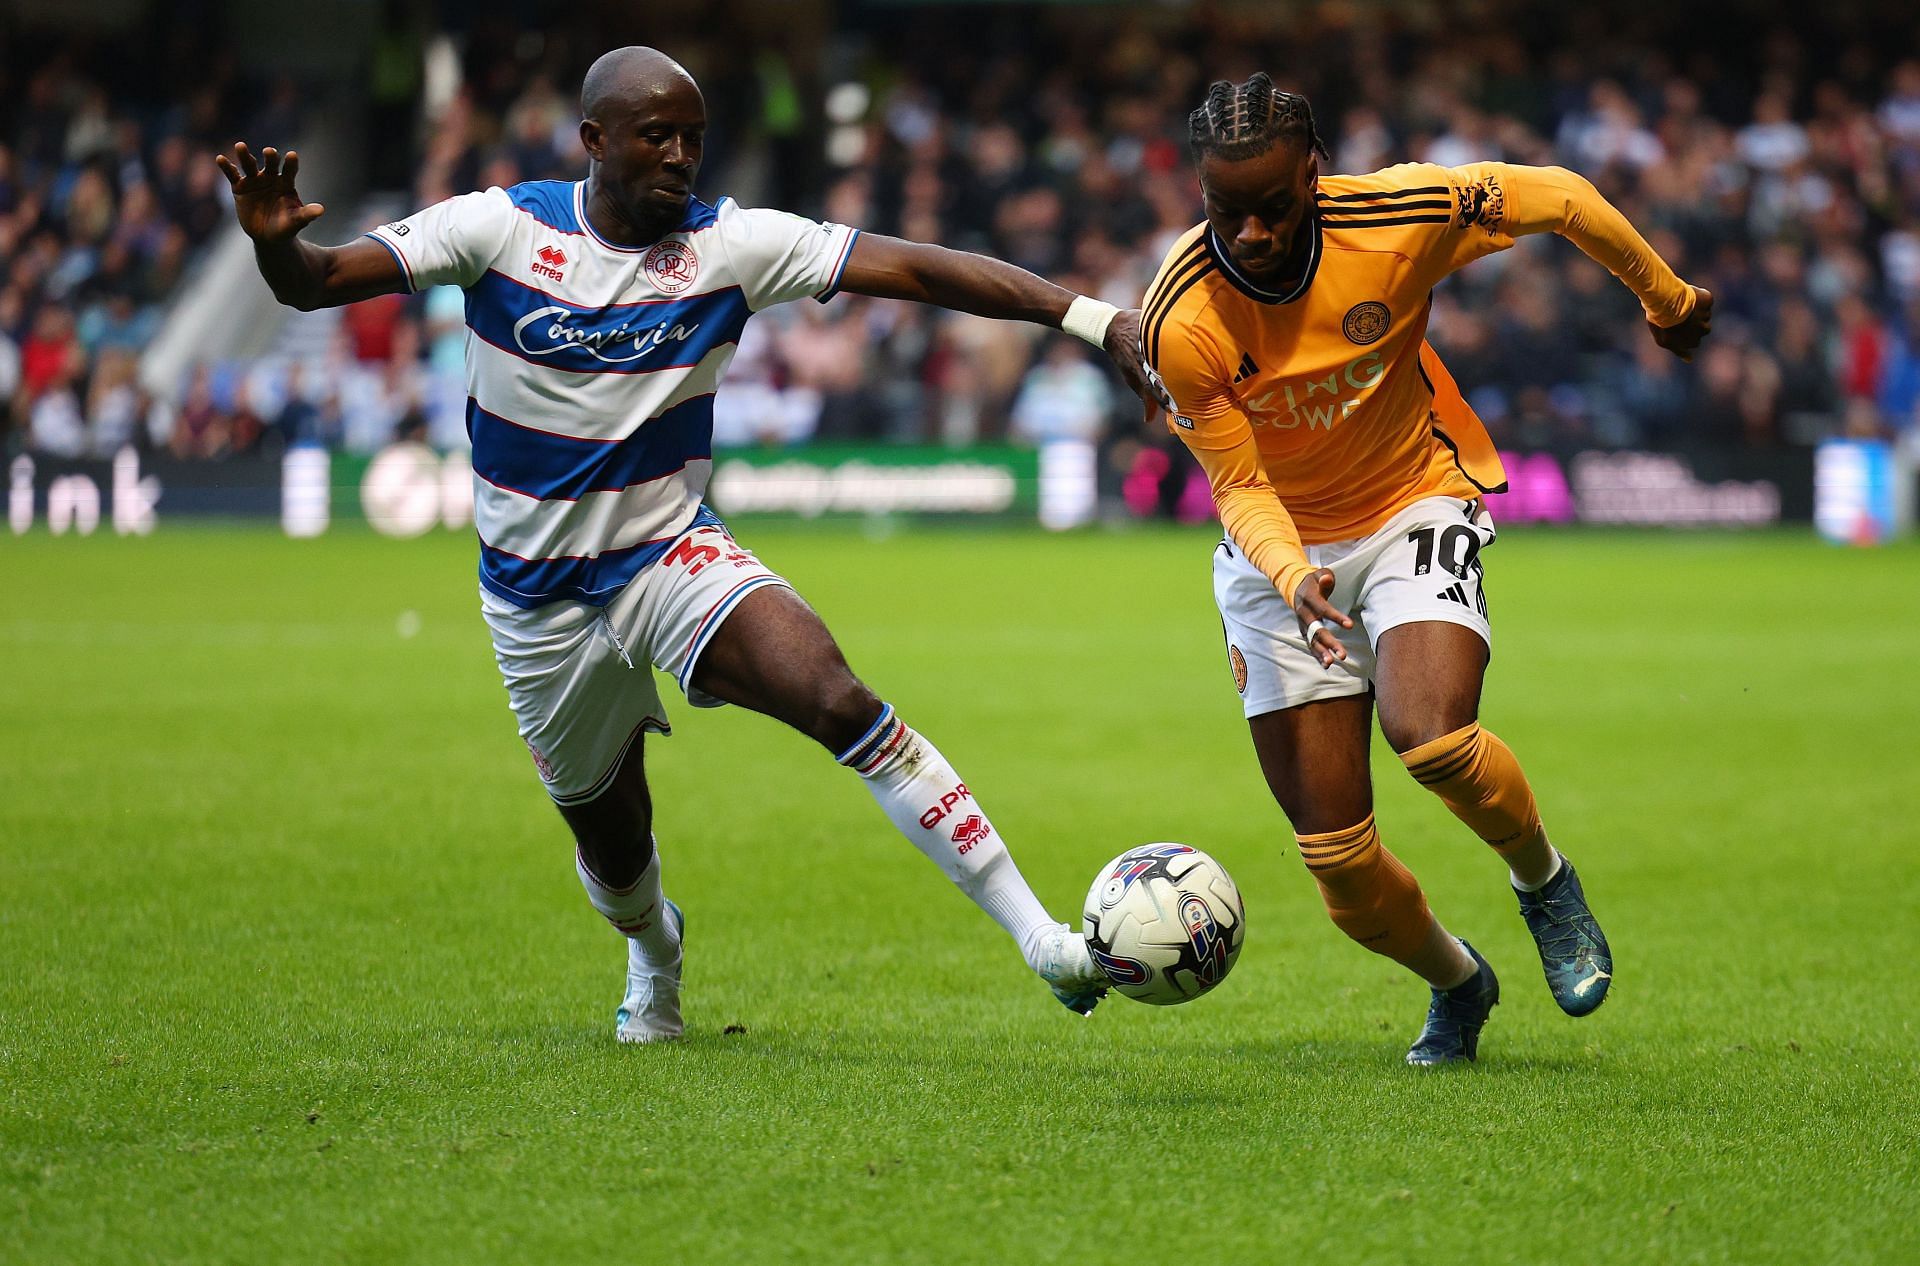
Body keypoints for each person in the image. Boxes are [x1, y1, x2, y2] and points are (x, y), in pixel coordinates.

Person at [217, 46, 1150, 1041]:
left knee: (838, 697)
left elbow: (916, 267)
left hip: (668, 556)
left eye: (693, 138)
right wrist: (277, 245)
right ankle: (653, 948)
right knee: (616, 855)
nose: (679, 156)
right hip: (535, 604)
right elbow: (314, 283)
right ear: (593, 141)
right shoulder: (496, 227)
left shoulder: (731, 245)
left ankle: (1039, 936)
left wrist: (1091, 317)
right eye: (655, 135)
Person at [1141, 75, 1712, 1065]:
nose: (1254, 235)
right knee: (1339, 867)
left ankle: (1543, 883)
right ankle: (1460, 983)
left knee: (1431, 735)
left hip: (1412, 502)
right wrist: (1290, 578)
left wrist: (1664, 299)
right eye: (1226, 212)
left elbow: (1562, 199)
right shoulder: (1181, 316)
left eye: (1274, 209)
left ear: (1313, 178)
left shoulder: (1401, 214)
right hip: (1279, 560)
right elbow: (1238, 488)